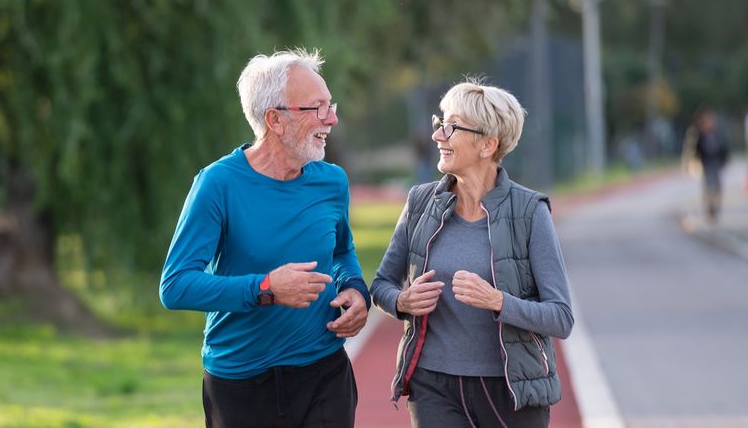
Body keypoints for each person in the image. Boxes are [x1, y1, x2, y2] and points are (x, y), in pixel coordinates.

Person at [160, 48, 370, 428]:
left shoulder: (332, 181)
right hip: (241, 382)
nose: (333, 118)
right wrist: (267, 288)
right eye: (317, 108)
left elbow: (342, 250)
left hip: (324, 372)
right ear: (275, 119)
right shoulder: (217, 184)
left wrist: (355, 288)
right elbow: (175, 287)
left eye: (331, 105)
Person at [370, 78, 574, 428]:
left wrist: (498, 301)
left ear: (487, 144)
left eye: (451, 127)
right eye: (440, 124)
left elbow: (560, 317)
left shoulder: (529, 212)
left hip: (510, 392)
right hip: (432, 385)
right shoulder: (420, 203)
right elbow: (381, 285)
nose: (437, 136)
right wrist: (402, 302)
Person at [689, 109, 729, 222]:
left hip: (716, 163)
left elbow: (724, 148)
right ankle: (709, 209)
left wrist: (724, 160)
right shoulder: (700, 136)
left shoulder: (717, 134)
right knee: (708, 187)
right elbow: (696, 151)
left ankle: (715, 208)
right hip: (706, 164)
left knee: (717, 187)